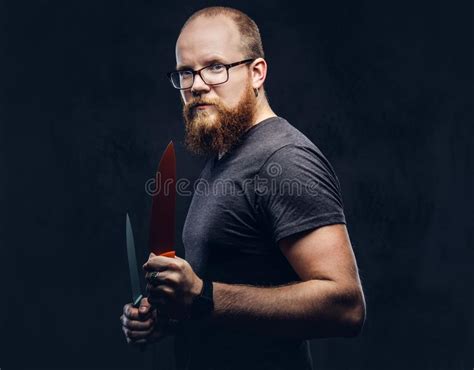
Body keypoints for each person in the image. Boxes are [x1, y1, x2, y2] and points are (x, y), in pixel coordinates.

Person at [120, 6, 366, 370]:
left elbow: (346, 307)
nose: (197, 84)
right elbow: (230, 305)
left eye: (216, 66)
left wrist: (202, 297)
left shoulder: (284, 158)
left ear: (256, 72)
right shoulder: (226, 153)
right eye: (186, 72)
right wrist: (171, 318)